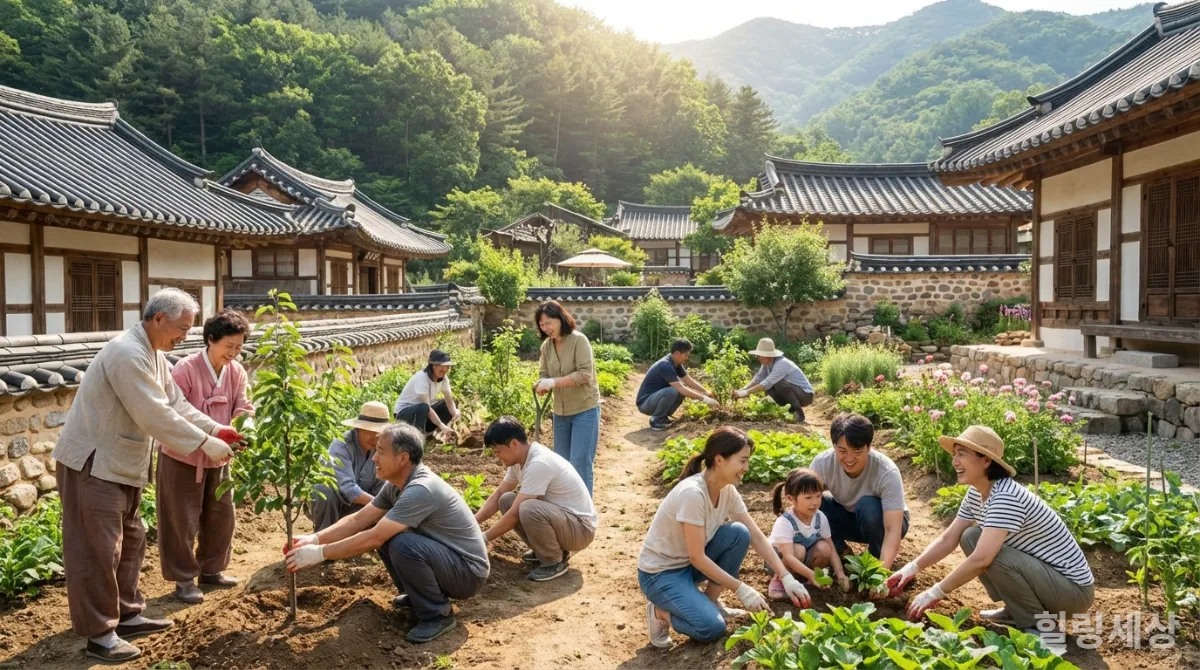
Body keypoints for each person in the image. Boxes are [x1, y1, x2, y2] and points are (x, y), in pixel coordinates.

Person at [51, 288, 240, 662]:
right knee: (97, 551)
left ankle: (126, 614)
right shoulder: (127, 354)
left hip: (121, 465)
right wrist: (205, 442)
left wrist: (217, 430)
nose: (185, 337)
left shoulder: (154, 355)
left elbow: (175, 404)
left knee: (131, 543)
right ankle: (100, 635)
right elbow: (155, 415)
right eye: (182, 329)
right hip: (93, 464)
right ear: (158, 319)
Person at [888, 426, 1094, 650]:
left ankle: (1041, 626)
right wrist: (910, 568)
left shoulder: (1006, 496)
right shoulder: (978, 492)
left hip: (1073, 593)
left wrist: (935, 592)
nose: (955, 461)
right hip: (1049, 581)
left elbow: (982, 560)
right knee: (971, 537)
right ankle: (1018, 610)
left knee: (991, 555)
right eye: (955, 454)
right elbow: (950, 538)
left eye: (962, 454)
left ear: (986, 461)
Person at [285, 423, 490, 644]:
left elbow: (375, 537)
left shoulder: (421, 488)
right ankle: (418, 597)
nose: (374, 457)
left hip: (468, 573)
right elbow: (359, 518)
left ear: (402, 458)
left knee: (402, 543)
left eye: (381, 451)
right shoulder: (396, 484)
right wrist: (314, 538)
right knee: (393, 538)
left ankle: (437, 615)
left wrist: (320, 553)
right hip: (448, 561)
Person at [637, 427, 811, 648]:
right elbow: (697, 557)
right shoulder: (692, 494)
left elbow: (755, 535)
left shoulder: (727, 490)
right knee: (712, 628)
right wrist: (741, 588)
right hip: (660, 574)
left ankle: (710, 601)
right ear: (719, 459)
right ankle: (660, 612)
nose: (746, 468)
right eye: (742, 461)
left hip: (687, 566)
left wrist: (785, 576)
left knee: (739, 533)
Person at [157, 309, 254, 604]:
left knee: (221, 515)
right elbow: (172, 412)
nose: (234, 354)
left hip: (221, 456)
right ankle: (184, 579)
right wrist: (205, 438)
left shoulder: (236, 371)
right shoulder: (185, 369)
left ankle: (212, 570)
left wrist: (245, 424)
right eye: (229, 347)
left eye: (239, 348)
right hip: (182, 456)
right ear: (211, 339)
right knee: (180, 519)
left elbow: (243, 405)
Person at [475, 417, 598, 582]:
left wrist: (482, 538)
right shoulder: (518, 461)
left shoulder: (538, 463)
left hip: (581, 529)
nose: (497, 456)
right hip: (565, 521)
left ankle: (553, 561)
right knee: (506, 499)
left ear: (513, 444)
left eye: (498, 451)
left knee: (526, 508)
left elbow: (514, 514)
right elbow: (499, 494)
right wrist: (472, 523)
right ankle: (545, 549)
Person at [810, 413, 909, 574]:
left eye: (857, 451)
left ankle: (875, 562)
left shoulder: (886, 471)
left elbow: (892, 530)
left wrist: (882, 575)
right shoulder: (822, 463)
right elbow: (801, 506)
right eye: (842, 450)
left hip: (883, 521)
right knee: (815, 503)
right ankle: (841, 552)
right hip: (848, 518)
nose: (849, 458)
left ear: (868, 448)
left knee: (867, 505)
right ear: (834, 446)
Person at [534, 300, 601, 496]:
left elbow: (584, 374)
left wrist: (554, 382)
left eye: (549, 322)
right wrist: (542, 384)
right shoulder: (547, 346)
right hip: (560, 412)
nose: (546, 328)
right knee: (561, 463)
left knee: (580, 462)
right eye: (542, 324)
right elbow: (544, 372)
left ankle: (584, 511)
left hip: (584, 409)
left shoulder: (579, 341)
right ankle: (566, 507)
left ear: (561, 319)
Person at [766, 468, 850, 599]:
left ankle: (805, 580)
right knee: (798, 550)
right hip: (780, 562)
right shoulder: (785, 522)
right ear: (791, 499)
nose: (815, 502)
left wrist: (840, 575)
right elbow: (789, 557)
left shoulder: (820, 517)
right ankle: (779, 581)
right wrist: (812, 574)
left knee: (825, 548)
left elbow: (831, 547)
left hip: (804, 560)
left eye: (818, 496)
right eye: (808, 497)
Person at [309, 401, 390, 532]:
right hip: (333, 504)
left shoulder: (382, 448)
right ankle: (323, 536)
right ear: (358, 428)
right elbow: (347, 488)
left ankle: (356, 536)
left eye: (378, 433)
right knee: (324, 489)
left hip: (360, 506)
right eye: (369, 431)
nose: (374, 437)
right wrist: (381, 506)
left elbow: (384, 484)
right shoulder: (341, 446)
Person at [636, 338, 719, 431]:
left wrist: (705, 391)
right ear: (677, 353)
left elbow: (688, 380)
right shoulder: (665, 365)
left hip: (654, 400)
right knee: (673, 391)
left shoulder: (676, 363)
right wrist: (704, 399)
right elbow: (681, 388)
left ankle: (663, 417)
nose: (687, 358)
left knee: (680, 391)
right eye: (686, 355)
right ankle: (656, 420)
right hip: (645, 403)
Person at [732, 338, 814, 422]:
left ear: (768, 355)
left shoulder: (782, 363)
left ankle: (799, 414)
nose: (757, 358)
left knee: (778, 383)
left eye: (759, 355)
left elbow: (765, 383)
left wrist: (745, 393)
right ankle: (790, 412)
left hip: (806, 395)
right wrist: (742, 389)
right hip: (796, 393)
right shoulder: (767, 363)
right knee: (770, 389)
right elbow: (759, 378)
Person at [394, 350, 460, 441]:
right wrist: (441, 425)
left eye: (447, 367)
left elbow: (449, 400)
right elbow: (427, 407)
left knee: (447, 404)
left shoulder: (444, 379)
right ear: (433, 366)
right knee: (424, 407)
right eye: (442, 367)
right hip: (405, 414)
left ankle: (431, 433)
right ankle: (417, 438)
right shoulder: (421, 378)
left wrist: (455, 416)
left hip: (423, 412)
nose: (445, 370)